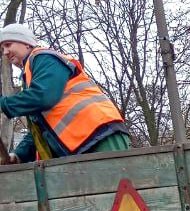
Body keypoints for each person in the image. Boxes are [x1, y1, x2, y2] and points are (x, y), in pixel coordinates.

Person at [0, 23, 130, 163]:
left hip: (100, 134)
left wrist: (3, 105)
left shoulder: (44, 58)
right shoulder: (31, 78)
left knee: (115, 183)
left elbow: (44, 96)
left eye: (8, 45)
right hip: (82, 143)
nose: (5, 52)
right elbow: (41, 129)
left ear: (26, 43)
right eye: (2, 49)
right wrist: (19, 155)